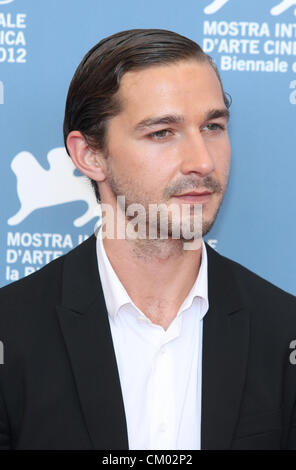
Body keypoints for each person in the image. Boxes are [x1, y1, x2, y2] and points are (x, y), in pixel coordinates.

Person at [0, 28, 295, 451]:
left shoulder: (284, 333)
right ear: (90, 155)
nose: (202, 161)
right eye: (162, 132)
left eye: (212, 126)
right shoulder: (12, 334)